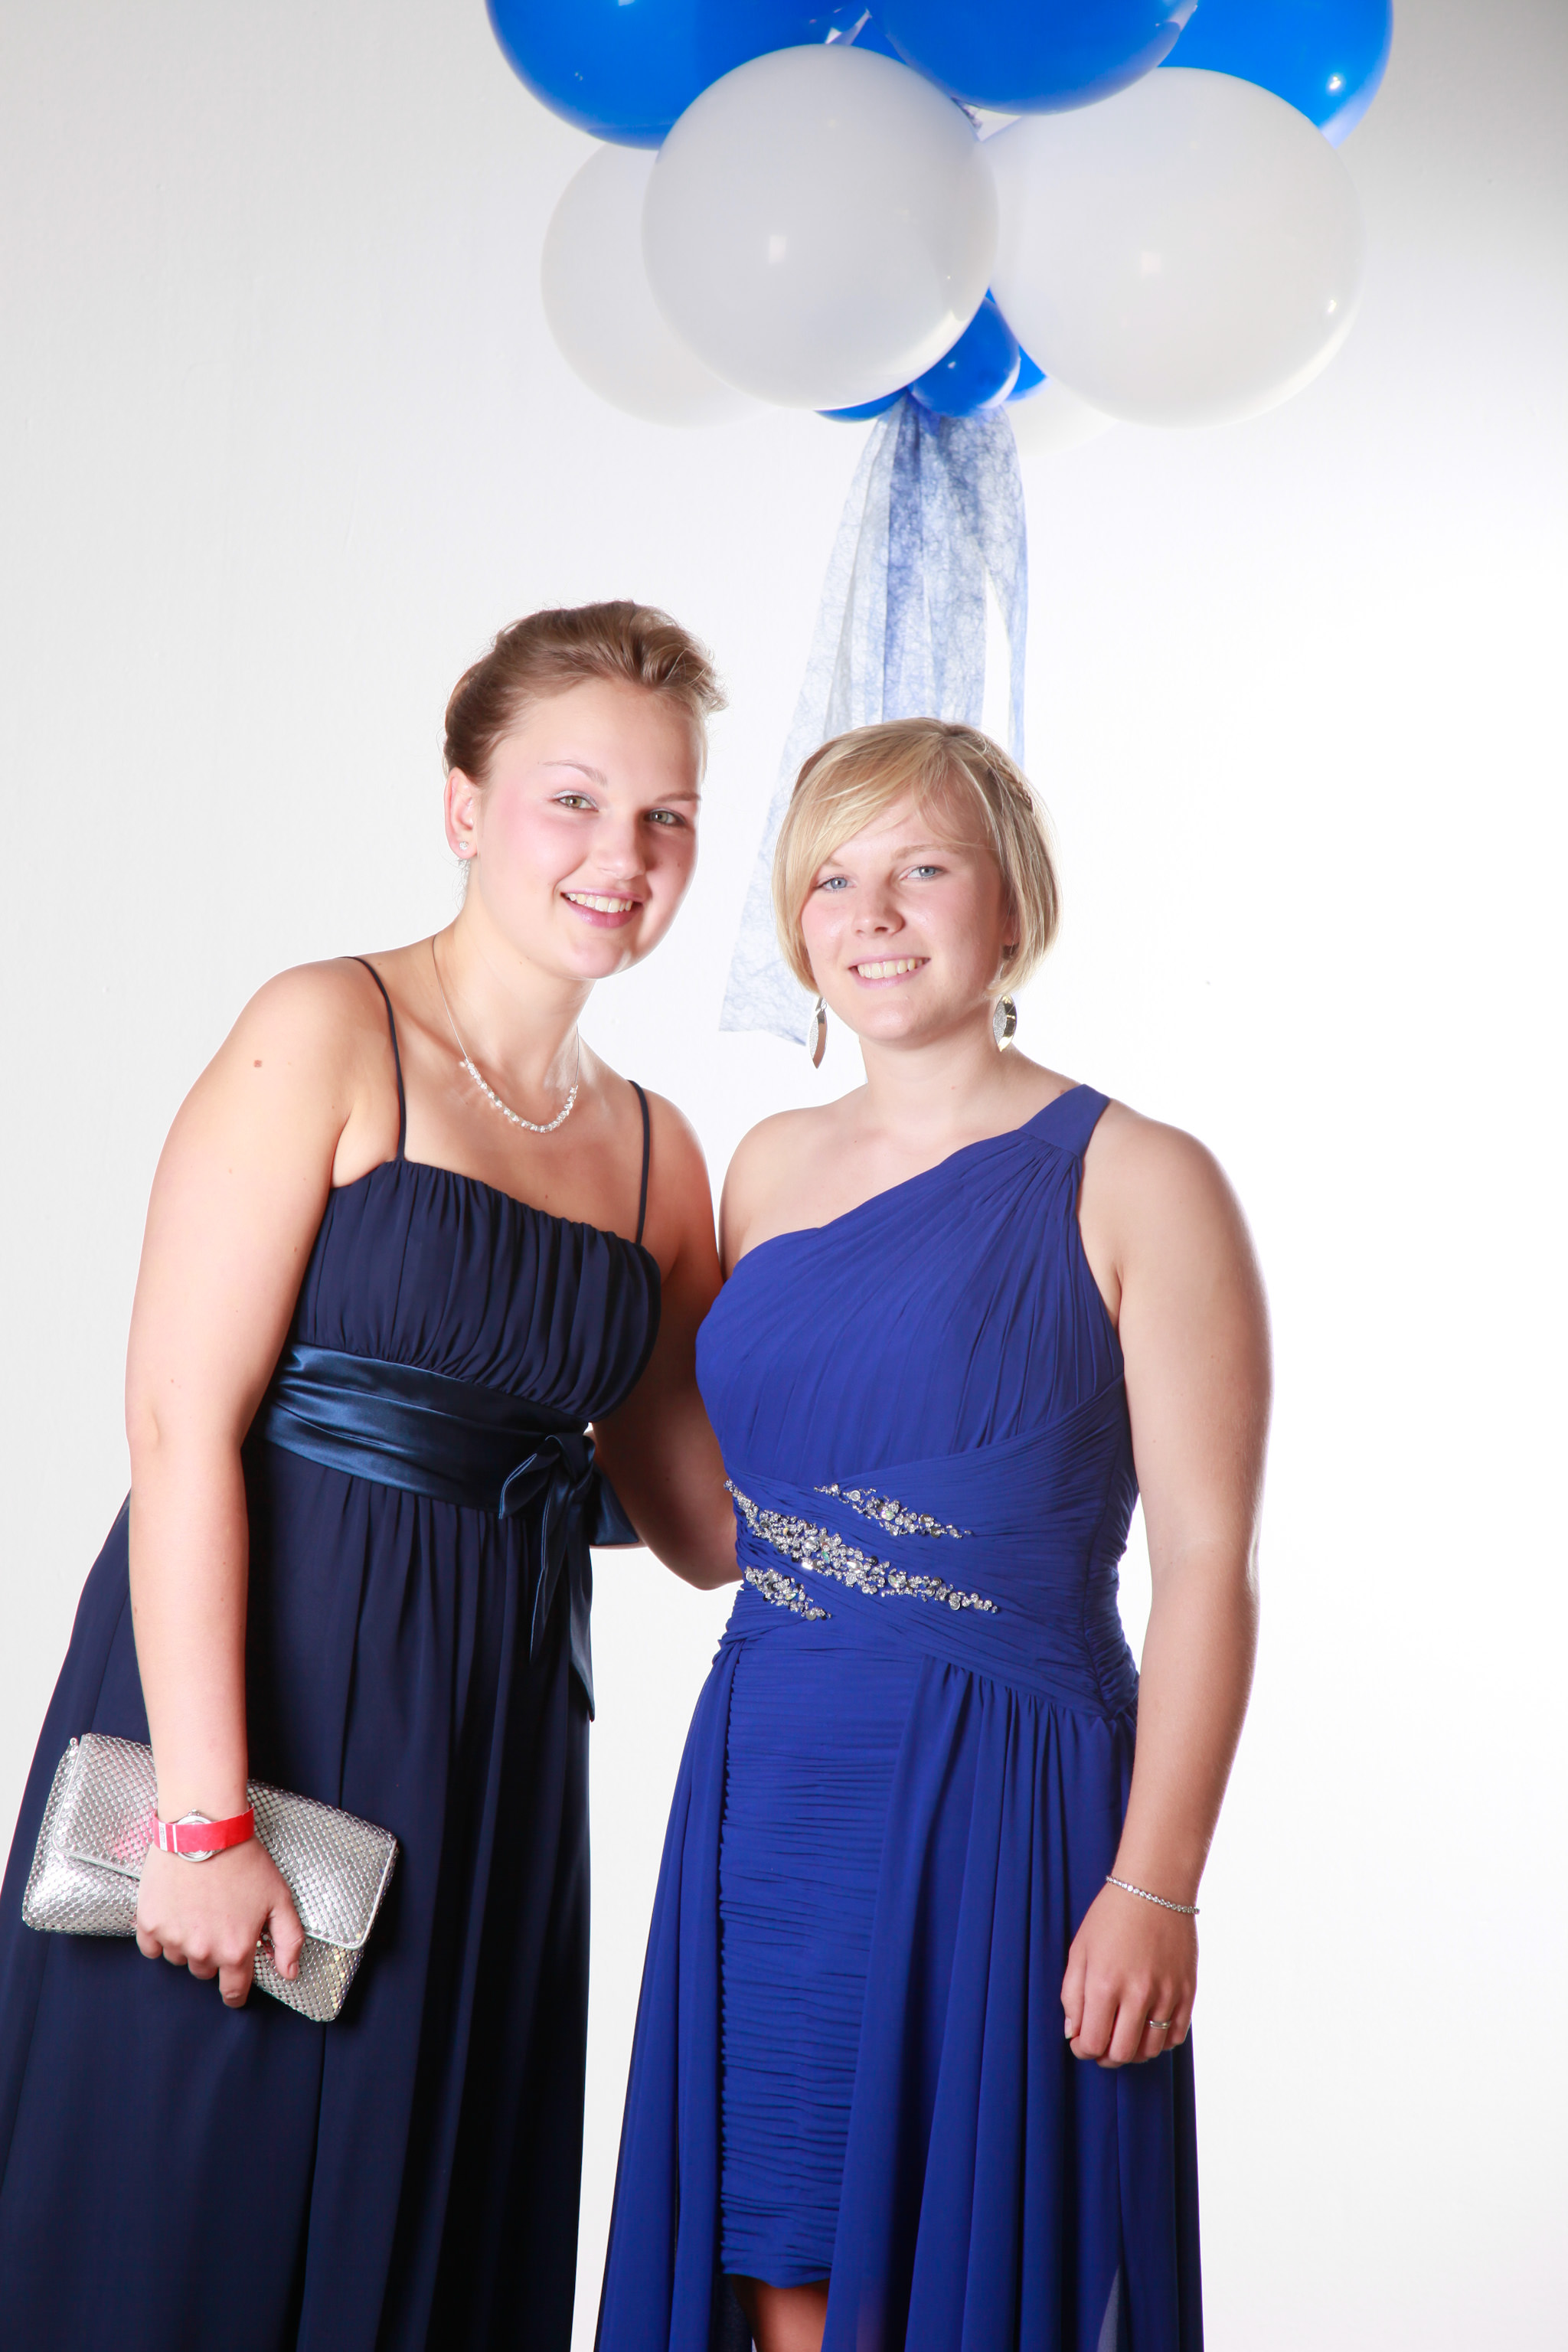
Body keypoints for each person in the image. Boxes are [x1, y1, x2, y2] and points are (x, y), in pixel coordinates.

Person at [0, 602, 740, 2352]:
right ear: (464, 805)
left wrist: (888, 1238)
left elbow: (706, 1528)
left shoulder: (659, 1153)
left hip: (492, 1751)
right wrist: (203, 1819)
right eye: (574, 800)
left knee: (426, 2223)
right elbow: (177, 1422)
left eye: (666, 817)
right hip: (255, 1708)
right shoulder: (329, 1026)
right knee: (178, 2205)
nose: (622, 857)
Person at [596, 717, 1270, 2352]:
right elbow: (717, 1525)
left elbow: (1207, 1565)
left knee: (981, 2252)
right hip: (770, 1776)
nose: (872, 914)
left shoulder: (1139, 1177)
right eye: (830, 878)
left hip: (1010, 1785)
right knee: (774, 2258)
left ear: (1011, 903)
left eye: (921, 868)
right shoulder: (764, 1169)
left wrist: (1158, 1884)